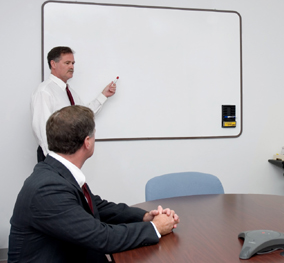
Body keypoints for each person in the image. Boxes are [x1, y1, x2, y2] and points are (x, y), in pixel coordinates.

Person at [9, 105, 180, 262]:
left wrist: (144, 217)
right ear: (87, 142)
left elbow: (97, 207)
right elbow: (102, 238)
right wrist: (154, 228)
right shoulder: (48, 189)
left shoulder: (57, 172)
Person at [31, 46, 117, 162]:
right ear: (53, 64)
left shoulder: (68, 91)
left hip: (69, 155)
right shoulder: (44, 91)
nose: (72, 67)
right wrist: (55, 161)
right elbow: (42, 130)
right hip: (55, 158)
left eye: (73, 63)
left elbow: (83, 115)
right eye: (67, 63)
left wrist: (103, 95)